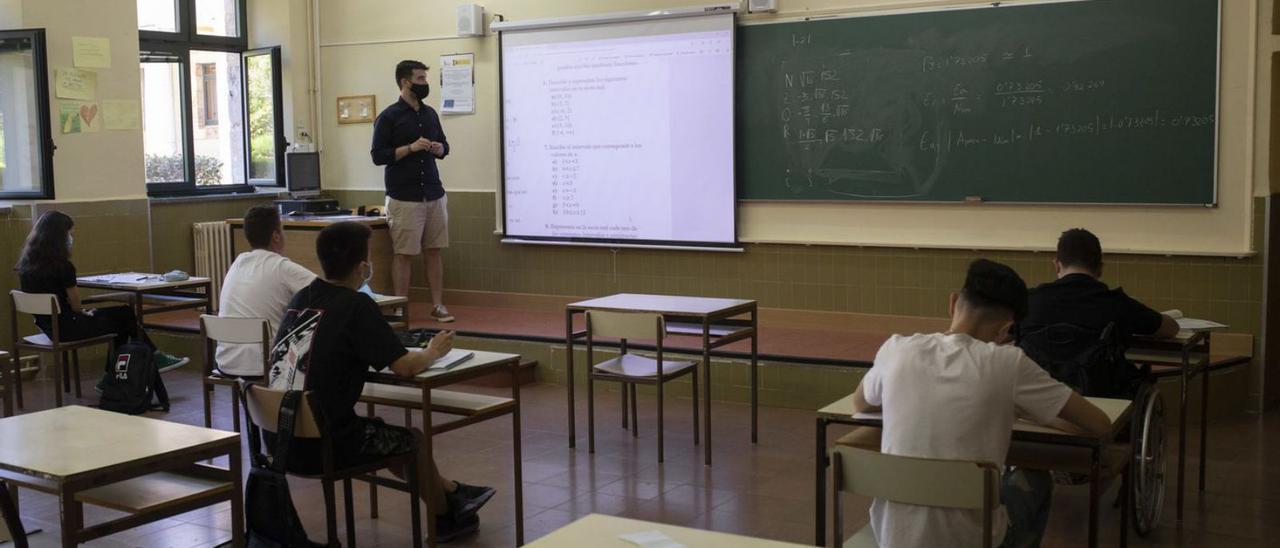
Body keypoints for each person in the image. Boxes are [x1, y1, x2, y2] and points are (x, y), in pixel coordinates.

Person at [850, 259, 1111, 548]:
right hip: (977, 540)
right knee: (1036, 479)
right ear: (1006, 329)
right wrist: (1034, 412)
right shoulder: (1008, 364)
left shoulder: (897, 348)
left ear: (952, 303)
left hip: (892, 539)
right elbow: (1098, 423)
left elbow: (860, 402)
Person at [265, 221, 492, 542]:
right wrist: (432, 351)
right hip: (325, 445)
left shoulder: (301, 297)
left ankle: (454, 492)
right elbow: (404, 367)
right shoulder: (357, 305)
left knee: (382, 430)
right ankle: (447, 516)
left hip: (281, 440)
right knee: (411, 440)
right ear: (363, 267)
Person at [14, 211, 189, 373]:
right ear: (59, 238)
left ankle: (114, 375)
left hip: (49, 328)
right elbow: (76, 305)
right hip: (69, 328)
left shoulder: (25, 267)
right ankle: (146, 360)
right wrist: (83, 312)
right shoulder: (63, 267)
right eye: (70, 235)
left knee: (120, 319)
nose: (71, 239)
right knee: (125, 315)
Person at [370, 59, 454, 323]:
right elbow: (378, 156)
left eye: (425, 79)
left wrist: (440, 149)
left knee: (434, 250)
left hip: (433, 191)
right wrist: (410, 148)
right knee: (404, 254)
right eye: (420, 79)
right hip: (403, 196)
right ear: (405, 82)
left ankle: (438, 305)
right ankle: (400, 306)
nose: (425, 84)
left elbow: (445, 145)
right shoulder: (388, 117)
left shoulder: (430, 114)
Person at [1022, 227, 1179, 345]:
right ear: (1100, 268)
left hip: (1042, 387)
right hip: (1100, 388)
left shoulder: (1029, 302)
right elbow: (1169, 329)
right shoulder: (1117, 304)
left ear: (1056, 265)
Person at [214, 206, 316, 377]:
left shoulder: (237, 263)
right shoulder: (281, 266)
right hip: (267, 363)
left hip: (226, 362)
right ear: (276, 236)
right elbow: (327, 291)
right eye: (282, 230)